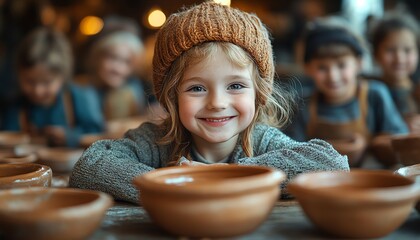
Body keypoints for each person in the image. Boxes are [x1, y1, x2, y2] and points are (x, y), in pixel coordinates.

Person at [69, 1, 349, 204]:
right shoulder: (158, 141)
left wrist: (226, 175)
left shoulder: (262, 141)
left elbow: (332, 162)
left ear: (259, 93)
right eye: (197, 88)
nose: (217, 102)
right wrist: (177, 187)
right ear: (171, 96)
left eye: (236, 86)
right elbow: (90, 165)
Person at [285, 18, 409, 168]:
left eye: (341, 65)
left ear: (359, 63)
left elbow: (401, 144)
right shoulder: (302, 103)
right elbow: (290, 153)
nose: (333, 76)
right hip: (321, 184)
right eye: (322, 68)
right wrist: (336, 148)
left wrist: (369, 144)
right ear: (308, 68)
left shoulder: (375, 94)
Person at [0, 27, 104, 147]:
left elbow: (99, 135)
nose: (38, 90)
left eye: (47, 82)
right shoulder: (13, 106)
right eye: (30, 81)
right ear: (18, 73)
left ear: (62, 76)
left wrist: (71, 137)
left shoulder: (80, 98)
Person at [82, 27, 157, 121]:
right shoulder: (79, 91)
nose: (118, 68)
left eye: (127, 62)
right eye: (112, 58)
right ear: (98, 57)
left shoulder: (138, 90)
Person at [370, 12, 420, 132]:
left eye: (407, 50)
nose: (399, 59)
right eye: (390, 50)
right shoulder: (368, 91)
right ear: (375, 54)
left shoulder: (417, 92)